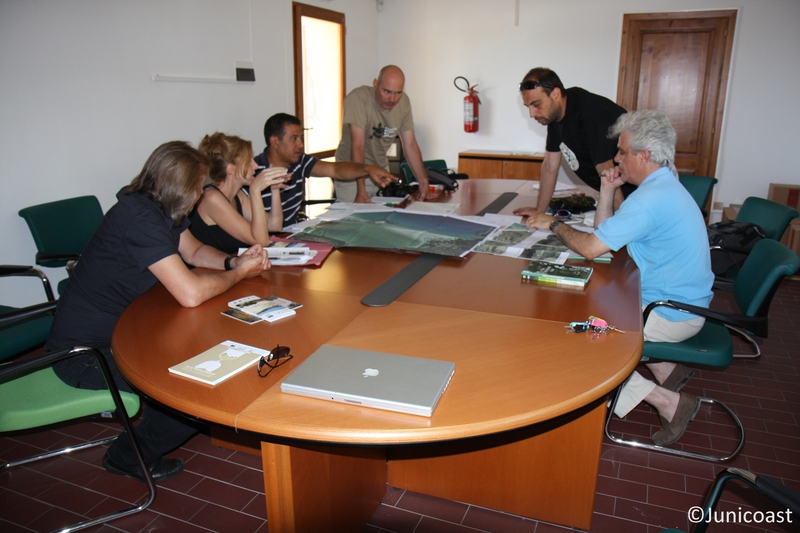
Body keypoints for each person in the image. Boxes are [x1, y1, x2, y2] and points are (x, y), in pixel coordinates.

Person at [46, 141, 270, 483]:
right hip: (85, 354)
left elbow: (193, 252)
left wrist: (232, 261)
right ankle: (125, 457)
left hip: (128, 331)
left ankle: (148, 430)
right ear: (181, 189)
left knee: (198, 356)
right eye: (198, 188)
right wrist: (239, 274)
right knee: (192, 396)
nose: (201, 194)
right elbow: (190, 293)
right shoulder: (140, 218)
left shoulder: (157, 205)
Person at [526, 110, 713, 446]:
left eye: (622, 152)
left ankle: (669, 403)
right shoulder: (663, 184)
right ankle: (667, 369)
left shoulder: (650, 200)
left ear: (644, 156)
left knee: (578, 342)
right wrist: (607, 189)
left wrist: (553, 223)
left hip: (669, 312)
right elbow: (606, 233)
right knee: (593, 304)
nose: (615, 158)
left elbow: (590, 248)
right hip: (678, 300)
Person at [513, 67, 632, 218]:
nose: (532, 114)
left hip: (635, 195)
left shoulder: (590, 113)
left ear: (555, 94)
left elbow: (608, 174)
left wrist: (622, 221)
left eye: (536, 105)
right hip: (617, 196)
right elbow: (550, 166)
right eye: (528, 107)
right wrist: (539, 211)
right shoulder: (554, 117)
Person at [254, 113, 396, 226]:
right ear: (275, 142)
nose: (300, 144)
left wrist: (367, 169)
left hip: (292, 234)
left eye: (301, 138)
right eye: (294, 138)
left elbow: (335, 170)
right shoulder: (254, 173)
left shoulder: (299, 161)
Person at [333, 65, 431, 203]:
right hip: (353, 174)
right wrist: (361, 190)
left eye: (398, 93)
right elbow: (358, 145)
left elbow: (410, 145)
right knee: (354, 215)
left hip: (380, 171)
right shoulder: (358, 98)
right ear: (375, 84)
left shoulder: (404, 102)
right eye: (387, 91)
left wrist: (423, 181)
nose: (392, 99)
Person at [191, 132, 289, 253]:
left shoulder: (238, 194)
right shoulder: (211, 198)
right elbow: (261, 240)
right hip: (209, 265)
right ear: (232, 169)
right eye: (249, 162)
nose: (256, 166)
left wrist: (274, 190)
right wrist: (255, 190)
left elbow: (274, 225)